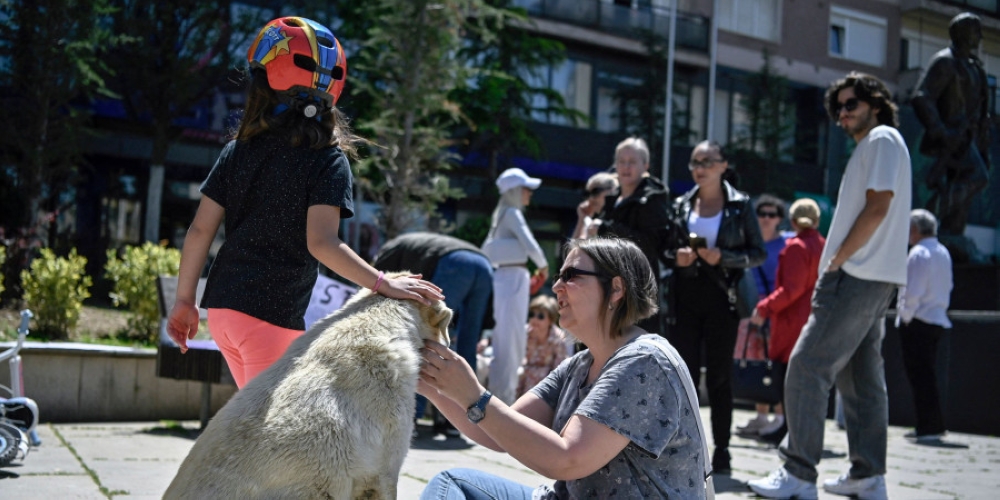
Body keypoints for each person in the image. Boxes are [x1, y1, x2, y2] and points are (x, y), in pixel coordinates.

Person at [166, 17, 443, 389]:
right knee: (276, 441)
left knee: (260, 433)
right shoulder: (326, 158)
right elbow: (322, 243)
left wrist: (185, 300)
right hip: (271, 314)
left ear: (261, 81)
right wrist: (382, 283)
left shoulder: (238, 150)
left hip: (223, 311)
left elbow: (200, 230)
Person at [417, 237, 711, 499]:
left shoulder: (645, 362)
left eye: (571, 275)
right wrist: (427, 381)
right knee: (452, 483)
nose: (556, 286)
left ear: (616, 289)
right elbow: (497, 431)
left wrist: (473, 395)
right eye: (559, 275)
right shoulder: (580, 364)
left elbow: (567, 459)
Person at [749, 72, 911, 500]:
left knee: (806, 366)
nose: (842, 113)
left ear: (875, 102)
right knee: (861, 378)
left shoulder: (880, 139)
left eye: (851, 103)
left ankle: (799, 473)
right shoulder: (878, 144)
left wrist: (836, 261)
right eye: (837, 107)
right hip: (873, 275)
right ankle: (867, 475)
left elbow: (878, 208)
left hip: (856, 275)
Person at [664, 140, 766, 474]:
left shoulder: (739, 205)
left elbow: (758, 253)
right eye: (695, 161)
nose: (700, 167)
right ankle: (685, 448)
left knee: (720, 378)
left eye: (708, 161)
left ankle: (722, 451)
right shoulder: (681, 205)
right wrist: (676, 258)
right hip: (686, 296)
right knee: (686, 376)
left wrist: (724, 256)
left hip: (723, 297)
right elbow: (665, 251)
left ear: (724, 165)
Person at [372, 231, 494, 434]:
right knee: (467, 344)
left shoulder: (387, 252)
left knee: (430, 338)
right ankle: (460, 422)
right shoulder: (410, 242)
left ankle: (412, 418)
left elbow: (375, 285)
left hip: (455, 263)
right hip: (483, 265)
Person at [747, 198, 826, 445]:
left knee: (787, 379)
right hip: (814, 318)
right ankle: (798, 432)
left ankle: (788, 431)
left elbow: (791, 290)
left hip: (792, 322)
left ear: (792, 221)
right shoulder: (823, 244)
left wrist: (764, 307)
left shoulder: (796, 247)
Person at [911, 12, 991, 237]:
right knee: (978, 177)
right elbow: (921, 96)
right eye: (976, 31)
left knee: (965, 190)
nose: (980, 37)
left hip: (970, 138)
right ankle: (925, 220)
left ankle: (952, 236)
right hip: (952, 138)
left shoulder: (975, 67)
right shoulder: (946, 61)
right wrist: (941, 131)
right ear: (964, 33)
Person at [588, 138, 671, 334]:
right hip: (609, 289)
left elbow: (648, 245)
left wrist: (605, 228)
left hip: (637, 293)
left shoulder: (653, 198)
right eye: (621, 161)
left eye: (632, 161)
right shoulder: (612, 200)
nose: (626, 167)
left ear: (646, 166)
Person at [480, 168, 549, 404]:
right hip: (512, 279)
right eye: (526, 189)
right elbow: (529, 244)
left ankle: (500, 401)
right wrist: (544, 265)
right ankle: (502, 403)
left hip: (511, 277)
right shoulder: (511, 213)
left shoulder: (502, 214)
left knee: (508, 341)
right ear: (515, 191)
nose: (529, 194)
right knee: (510, 343)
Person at [897, 209, 953, 443]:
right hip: (937, 318)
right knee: (927, 377)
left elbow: (912, 292)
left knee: (920, 378)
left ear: (915, 230)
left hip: (918, 321)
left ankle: (927, 427)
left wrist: (905, 316)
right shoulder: (942, 252)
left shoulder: (919, 253)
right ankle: (931, 425)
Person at [735, 194, 789, 438]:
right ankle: (760, 415)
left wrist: (769, 309)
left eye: (772, 214)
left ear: (779, 219)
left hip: (774, 313)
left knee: (772, 365)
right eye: (762, 213)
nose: (766, 218)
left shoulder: (786, 246)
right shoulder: (750, 243)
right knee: (754, 363)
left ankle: (779, 416)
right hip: (749, 310)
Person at [516, 295, 571, 398]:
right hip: (525, 375)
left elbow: (560, 370)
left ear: (550, 320)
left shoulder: (558, 339)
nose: (534, 319)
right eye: (532, 314)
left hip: (547, 380)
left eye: (540, 316)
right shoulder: (525, 332)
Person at [572, 172, 618, 240]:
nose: (591, 198)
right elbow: (573, 248)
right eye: (587, 194)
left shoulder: (620, 216)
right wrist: (582, 219)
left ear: (611, 190)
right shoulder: (592, 221)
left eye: (595, 192)